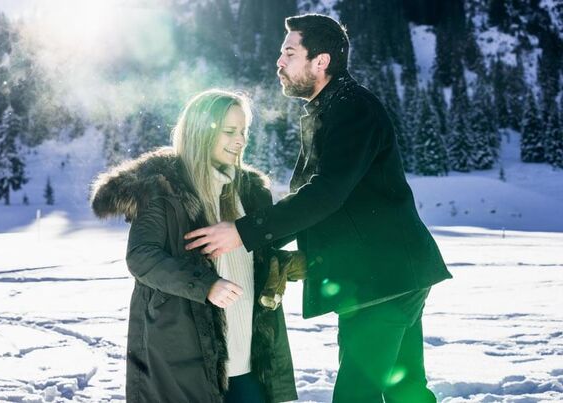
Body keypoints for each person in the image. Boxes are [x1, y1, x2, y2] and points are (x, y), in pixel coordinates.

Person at [184, 14, 452, 403]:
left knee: (356, 394)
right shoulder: (329, 109)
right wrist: (276, 248)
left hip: (383, 278)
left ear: (320, 61)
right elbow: (329, 202)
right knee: (405, 390)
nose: (279, 62)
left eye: (289, 53)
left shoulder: (352, 110)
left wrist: (243, 232)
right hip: (387, 276)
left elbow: (327, 193)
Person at [90, 89, 297, 403]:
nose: (240, 140)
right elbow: (142, 257)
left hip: (250, 357)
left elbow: (254, 256)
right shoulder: (164, 188)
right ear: (201, 131)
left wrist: (289, 263)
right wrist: (206, 285)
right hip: (189, 357)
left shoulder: (251, 191)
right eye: (229, 132)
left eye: (244, 132)